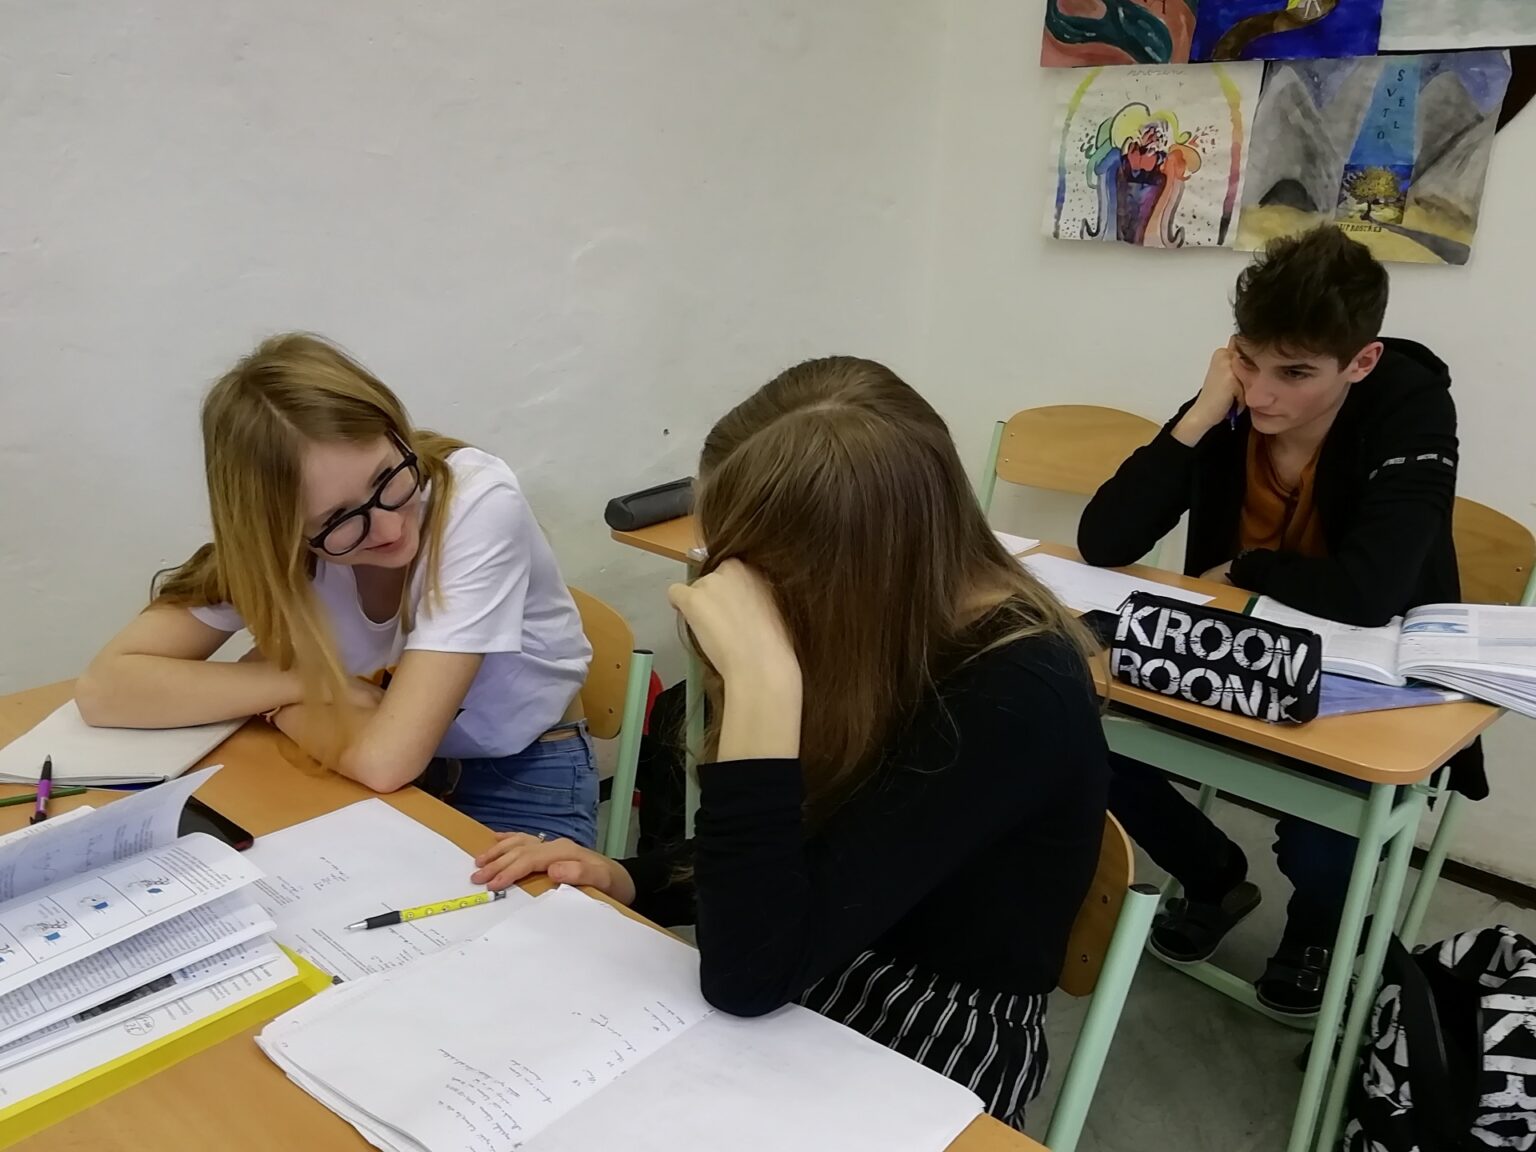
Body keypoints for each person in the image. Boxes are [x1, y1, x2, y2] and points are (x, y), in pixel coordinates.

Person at [469, 356, 1110, 1127]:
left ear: (842, 568)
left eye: (742, 566)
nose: (723, 583)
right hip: (815, 952)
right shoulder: (888, 615)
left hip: (929, 1025)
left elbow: (748, 974)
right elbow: (808, 841)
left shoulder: (1017, 691)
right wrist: (629, 879)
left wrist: (763, 682)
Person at [1077, 226, 1481, 1015]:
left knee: (1325, 830)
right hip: (1236, 655)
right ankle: (1213, 876)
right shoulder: (1233, 403)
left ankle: (1317, 928)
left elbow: (1369, 591)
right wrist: (1198, 417)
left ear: (1360, 362)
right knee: (1078, 722)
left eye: (1294, 374)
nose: (1262, 394)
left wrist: (1248, 569)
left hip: (1363, 680)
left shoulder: (1410, 406)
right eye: (1249, 361)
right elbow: (1105, 539)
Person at [78, 333, 598, 845]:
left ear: (397, 433)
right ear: (278, 532)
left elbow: (387, 760)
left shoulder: (476, 503)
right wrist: (299, 684)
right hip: (358, 763)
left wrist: (271, 699)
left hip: (520, 776)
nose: (389, 528)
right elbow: (105, 690)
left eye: (386, 478)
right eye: (337, 520)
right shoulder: (274, 553)